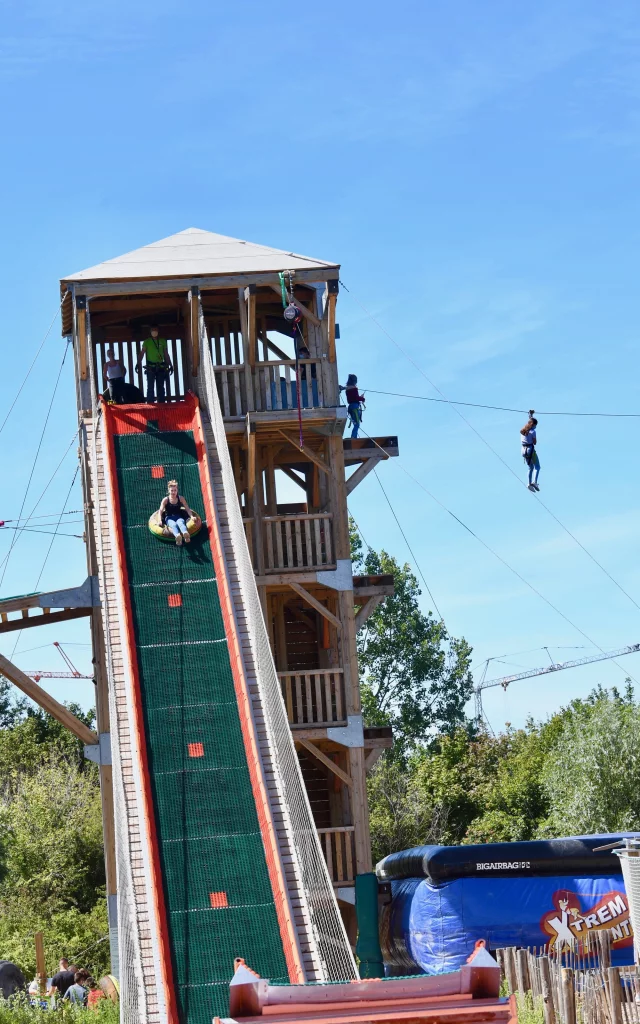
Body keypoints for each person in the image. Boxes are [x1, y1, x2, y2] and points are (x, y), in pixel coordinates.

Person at [136, 326, 173, 404]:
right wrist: (138, 363)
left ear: (158, 331)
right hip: (150, 368)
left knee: (161, 387)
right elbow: (142, 353)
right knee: (150, 387)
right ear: (150, 331)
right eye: (153, 330)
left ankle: (161, 404)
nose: (154, 331)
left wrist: (170, 364)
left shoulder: (163, 341)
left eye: (155, 329)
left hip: (161, 367)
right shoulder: (147, 342)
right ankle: (150, 404)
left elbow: (166, 354)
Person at [159, 480, 196, 546]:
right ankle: (178, 536)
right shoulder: (166, 500)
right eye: (172, 490)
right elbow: (161, 510)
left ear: (177, 490)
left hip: (178, 516)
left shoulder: (181, 498)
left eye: (175, 490)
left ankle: (185, 534)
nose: (173, 492)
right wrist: (160, 520)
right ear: (169, 491)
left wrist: (191, 516)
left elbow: (187, 508)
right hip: (169, 518)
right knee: (173, 525)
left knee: (180, 522)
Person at [339, 374, 366, 439]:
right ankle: (354, 438)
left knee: (355, 423)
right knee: (357, 424)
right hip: (354, 407)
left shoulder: (347, 389)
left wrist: (360, 398)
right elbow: (356, 398)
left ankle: (354, 437)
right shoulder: (354, 388)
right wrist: (362, 398)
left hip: (350, 407)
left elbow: (352, 398)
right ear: (354, 381)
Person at [520, 413, 540, 491]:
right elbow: (534, 442)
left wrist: (531, 416)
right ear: (533, 425)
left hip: (523, 450)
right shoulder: (533, 432)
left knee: (530, 467)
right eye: (535, 425)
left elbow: (530, 422)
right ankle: (534, 482)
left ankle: (529, 483)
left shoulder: (523, 430)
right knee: (537, 466)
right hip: (530, 450)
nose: (536, 427)